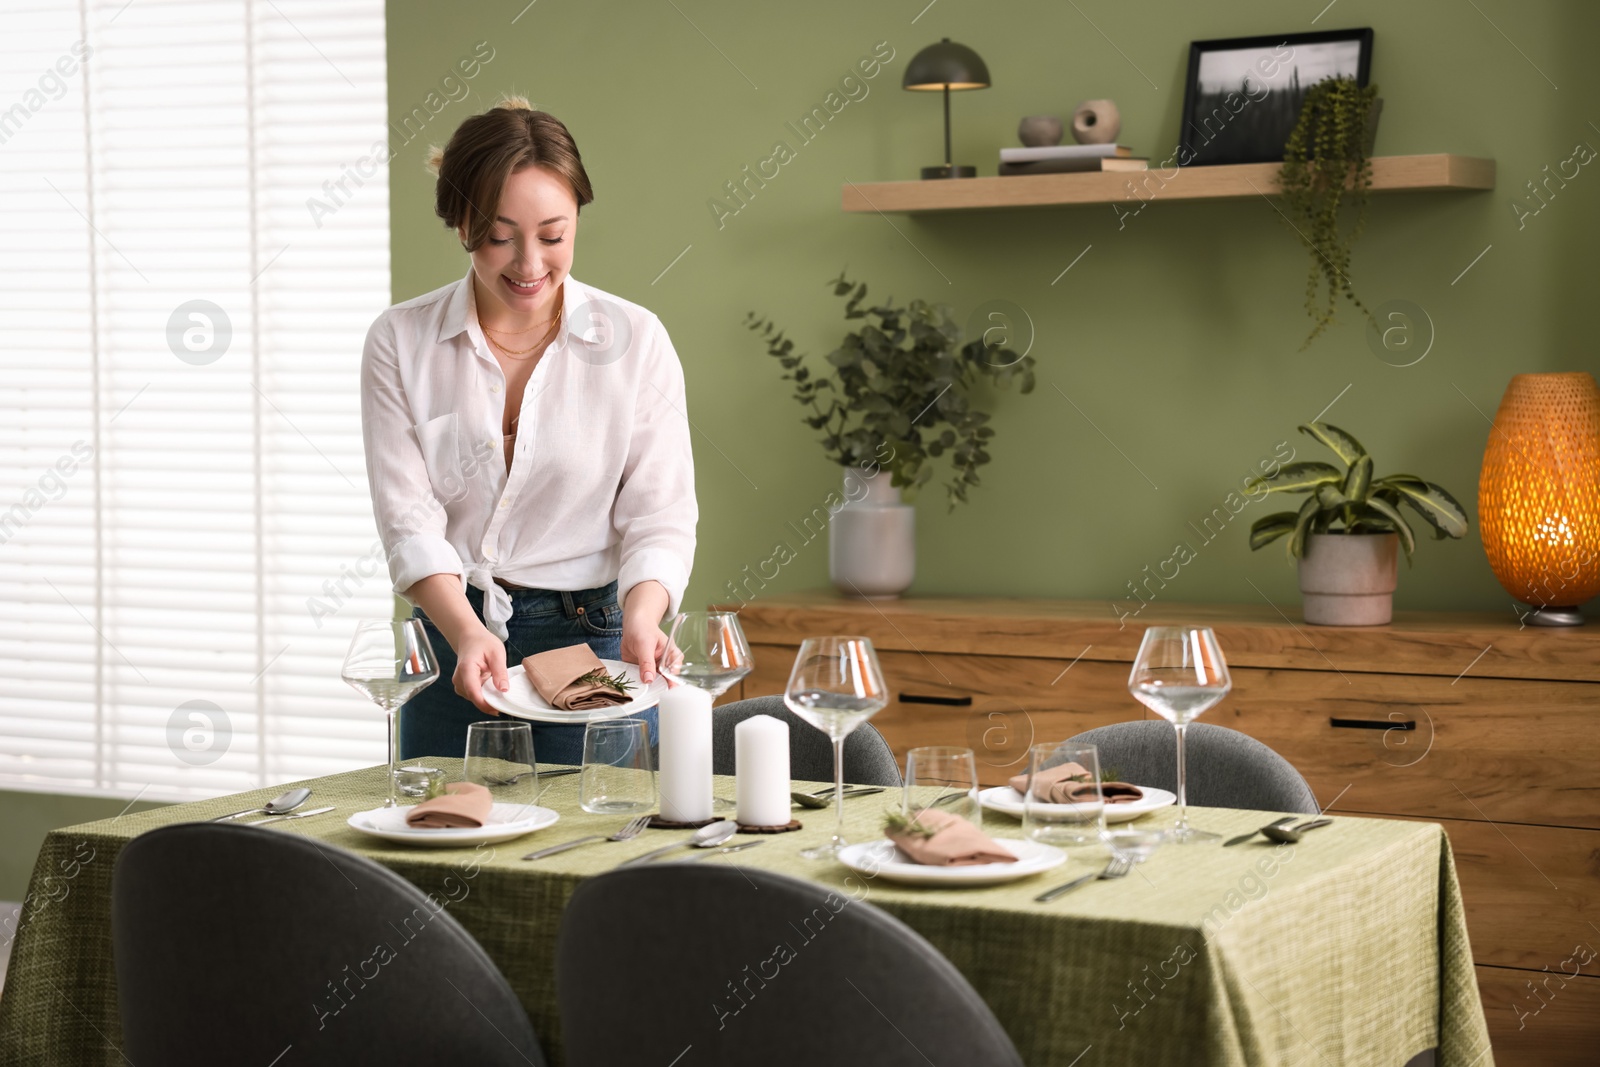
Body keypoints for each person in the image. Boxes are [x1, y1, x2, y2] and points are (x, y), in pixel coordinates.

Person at [359, 95, 696, 765]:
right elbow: (409, 520)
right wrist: (464, 631)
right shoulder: (401, 341)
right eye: (498, 234)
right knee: (437, 849)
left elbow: (659, 514)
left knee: (589, 849)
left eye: (553, 234)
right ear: (459, 222)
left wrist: (643, 617)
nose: (529, 263)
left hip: (591, 641)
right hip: (453, 641)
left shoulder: (635, 340)